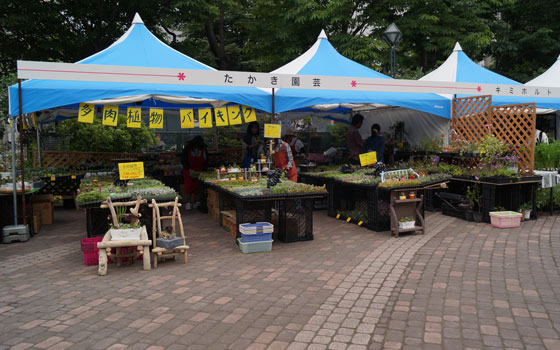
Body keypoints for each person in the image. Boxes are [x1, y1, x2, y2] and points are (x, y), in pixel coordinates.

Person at [181, 136, 208, 210]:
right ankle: (188, 203)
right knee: (188, 187)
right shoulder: (187, 149)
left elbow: (206, 161)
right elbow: (183, 160)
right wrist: (189, 169)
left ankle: (197, 202)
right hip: (189, 171)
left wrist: (204, 171)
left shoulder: (203, 150)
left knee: (198, 187)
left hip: (199, 171)